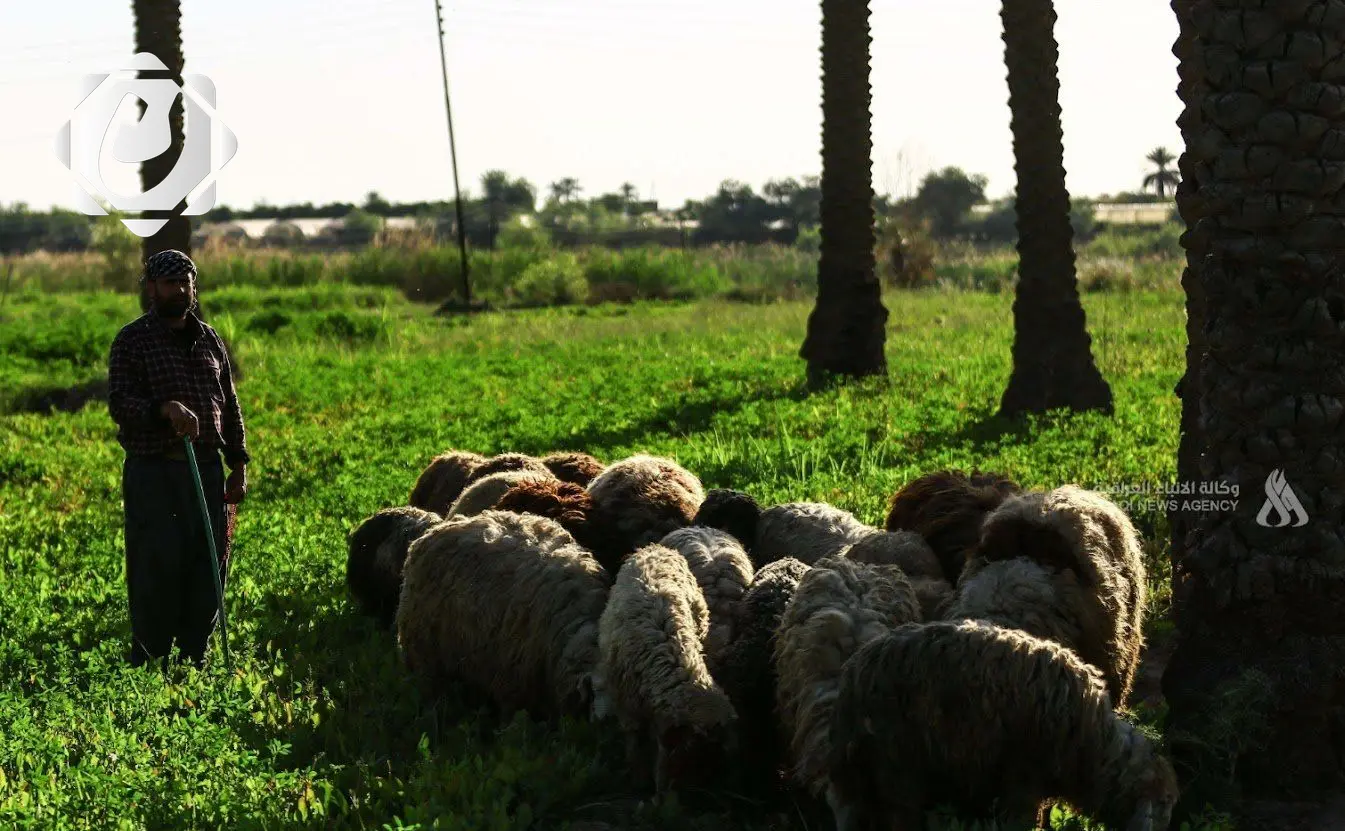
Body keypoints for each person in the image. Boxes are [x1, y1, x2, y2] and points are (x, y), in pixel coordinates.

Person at [107, 249, 249, 668]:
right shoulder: (133, 340)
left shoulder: (210, 340)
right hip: (155, 473)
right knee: (156, 568)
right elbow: (120, 403)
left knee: (208, 567)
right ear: (152, 288)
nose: (180, 290)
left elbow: (230, 406)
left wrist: (238, 464)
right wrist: (163, 410)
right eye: (170, 283)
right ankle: (151, 660)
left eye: (185, 282)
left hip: (207, 470)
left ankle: (194, 657)